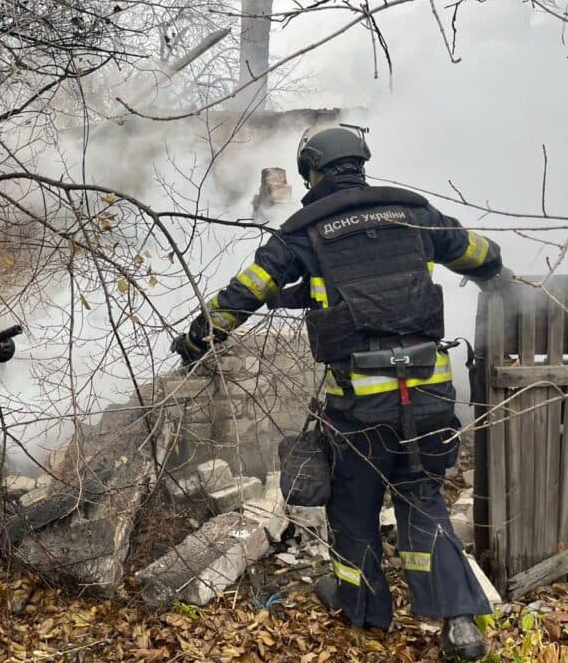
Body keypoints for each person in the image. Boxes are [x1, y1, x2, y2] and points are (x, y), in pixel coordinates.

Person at [172, 125, 511, 661]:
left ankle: (367, 611)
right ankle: (460, 619)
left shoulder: (304, 231)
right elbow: (478, 252)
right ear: (360, 163)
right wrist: (498, 278)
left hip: (358, 411)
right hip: (430, 400)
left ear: (312, 169)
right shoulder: (411, 213)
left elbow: (249, 291)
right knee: (423, 501)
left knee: (354, 512)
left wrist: (198, 337)